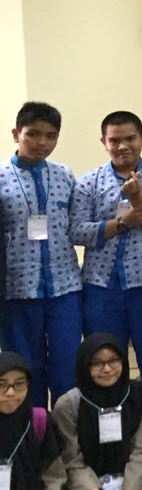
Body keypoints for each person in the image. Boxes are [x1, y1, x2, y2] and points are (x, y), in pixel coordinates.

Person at [71, 111, 142, 390]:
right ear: (103, 142)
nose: (122, 146)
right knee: (103, 363)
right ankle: (108, 418)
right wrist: (122, 222)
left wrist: (137, 196)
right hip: (101, 287)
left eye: (130, 139)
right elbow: (77, 231)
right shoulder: (88, 181)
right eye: (114, 140)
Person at [1, 101, 82, 406]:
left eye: (50, 136)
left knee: (67, 365)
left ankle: (64, 431)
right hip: (17, 290)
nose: (42, 143)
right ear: (16, 134)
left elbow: (77, 225)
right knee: (24, 367)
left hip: (65, 288)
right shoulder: (1, 177)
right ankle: (32, 430)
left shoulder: (64, 175)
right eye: (33, 134)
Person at [52, 334, 142, 490]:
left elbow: (141, 452)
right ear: (84, 366)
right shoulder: (68, 404)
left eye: (113, 361)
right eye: (97, 363)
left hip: (126, 476)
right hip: (87, 482)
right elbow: (72, 463)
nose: (107, 369)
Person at [0, 350, 67, 490]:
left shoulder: (39, 421)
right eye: (2, 385)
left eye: (19, 384)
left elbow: (54, 477)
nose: (11, 393)